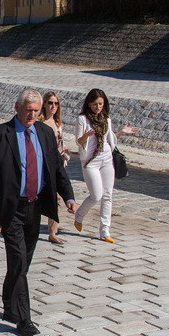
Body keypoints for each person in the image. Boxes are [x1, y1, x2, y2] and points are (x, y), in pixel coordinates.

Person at [0, 88, 77, 336]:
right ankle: (24, 319)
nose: (32, 115)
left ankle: (7, 303)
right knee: (19, 261)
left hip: (35, 207)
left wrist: (68, 196)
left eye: (36, 111)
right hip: (10, 209)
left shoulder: (45, 133)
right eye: (28, 111)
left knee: (22, 263)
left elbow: (57, 169)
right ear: (16, 108)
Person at [73, 88, 137, 243]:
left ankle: (104, 230)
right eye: (95, 104)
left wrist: (121, 132)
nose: (98, 107)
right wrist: (86, 135)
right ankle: (79, 215)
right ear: (89, 104)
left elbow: (111, 140)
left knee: (108, 195)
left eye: (100, 104)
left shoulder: (106, 119)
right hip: (90, 161)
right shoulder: (83, 119)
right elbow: (78, 142)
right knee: (96, 195)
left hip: (107, 159)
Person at [39, 91, 71, 245]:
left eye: (56, 103)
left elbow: (59, 144)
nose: (53, 106)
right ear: (44, 104)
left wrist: (64, 152)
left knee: (56, 198)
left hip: (58, 164)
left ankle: (53, 232)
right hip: (45, 165)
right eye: (50, 103)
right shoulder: (42, 123)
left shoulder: (57, 123)